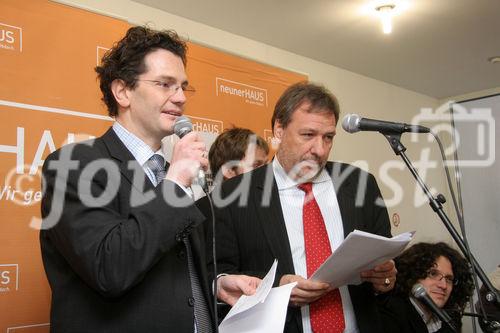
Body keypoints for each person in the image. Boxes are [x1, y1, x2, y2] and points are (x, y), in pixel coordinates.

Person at [39, 26, 259, 333]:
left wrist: (217, 283)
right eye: (165, 84)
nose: (181, 97)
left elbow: (176, 271)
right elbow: (108, 268)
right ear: (123, 91)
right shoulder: (73, 165)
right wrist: (174, 185)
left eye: (183, 86)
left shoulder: (177, 172)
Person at [211, 82, 397, 333]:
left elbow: (385, 263)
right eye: (308, 135)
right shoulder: (232, 195)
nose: (319, 150)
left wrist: (384, 279)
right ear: (278, 129)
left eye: (328, 137)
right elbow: (220, 275)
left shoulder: (361, 184)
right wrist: (279, 287)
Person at [379, 242, 474, 333]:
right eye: (433, 274)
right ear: (413, 275)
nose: (443, 285)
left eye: (449, 279)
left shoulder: (450, 320)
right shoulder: (392, 312)